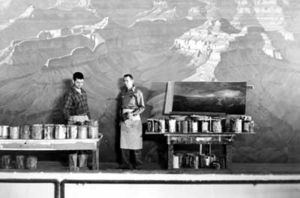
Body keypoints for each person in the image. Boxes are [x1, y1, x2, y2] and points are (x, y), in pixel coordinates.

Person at [63, 72, 90, 170]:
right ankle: (73, 167)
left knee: (84, 144)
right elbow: (65, 110)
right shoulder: (70, 93)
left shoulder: (83, 92)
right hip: (74, 122)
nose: (80, 84)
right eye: (78, 82)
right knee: (73, 145)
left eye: (82, 82)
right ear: (73, 81)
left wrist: (88, 120)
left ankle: (82, 167)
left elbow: (86, 109)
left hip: (84, 121)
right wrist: (73, 119)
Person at [119, 74, 145, 169]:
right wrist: (121, 118)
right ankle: (125, 164)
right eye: (124, 81)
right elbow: (121, 107)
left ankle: (138, 165)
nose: (126, 82)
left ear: (132, 81)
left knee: (135, 142)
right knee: (124, 142)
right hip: (124, 118)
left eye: (128, 80)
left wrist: (133, 114)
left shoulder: (137, 92)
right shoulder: (123, 93)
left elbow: (142, 107)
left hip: (133, 118)